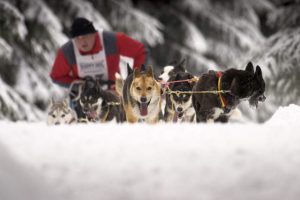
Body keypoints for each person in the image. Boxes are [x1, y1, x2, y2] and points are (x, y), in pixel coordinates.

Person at [50, 17, 149, 118]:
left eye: (86, 36)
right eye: (77, 38)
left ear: (94, 34)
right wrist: (77, 84)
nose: (83, 41)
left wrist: (135, 79)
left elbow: (140, 51)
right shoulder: (67, 52)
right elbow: (56, 76)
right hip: (83, 98)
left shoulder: (112, 40)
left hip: (113, 93)